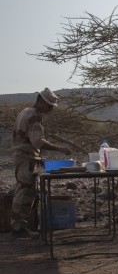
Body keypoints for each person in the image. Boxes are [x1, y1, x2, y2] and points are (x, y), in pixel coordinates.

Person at [11, 88, 72, 238]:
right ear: (40, 101)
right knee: (24, 191)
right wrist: (60, 148)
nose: (50, 109)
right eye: (49, 105)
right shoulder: (33, 116)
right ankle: (18, 227)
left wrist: (37, 157)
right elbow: (37, 141)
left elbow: (29, 140)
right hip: (26, 158)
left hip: (25, 156)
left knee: (26, 191)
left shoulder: (25, 111)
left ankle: (20, 225)